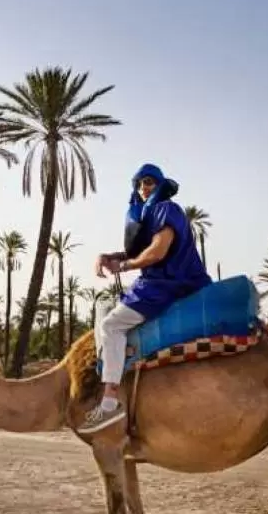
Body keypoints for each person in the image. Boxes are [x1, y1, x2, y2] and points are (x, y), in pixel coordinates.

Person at [79, 162, 212, 433]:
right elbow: (137, 251)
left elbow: (157, 252)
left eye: (149, 182)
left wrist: (124, 267)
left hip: (168, 285)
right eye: (139, 183)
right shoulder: (149, 216)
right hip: (158, 283)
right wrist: (108, 257)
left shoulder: (167, 210)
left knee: (110, 325)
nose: (143, 188)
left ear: (160, 184)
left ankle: (109, 403)